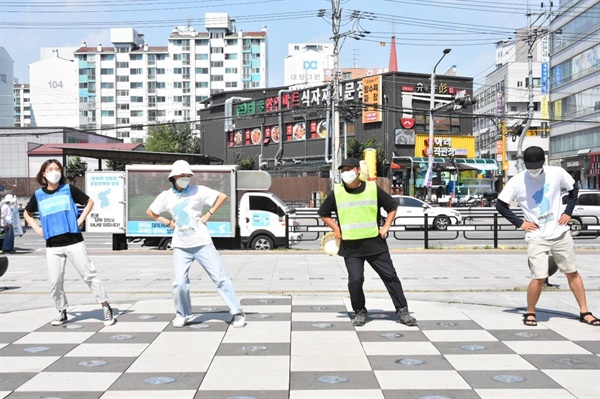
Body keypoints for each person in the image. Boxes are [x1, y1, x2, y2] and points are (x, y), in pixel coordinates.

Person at [496, 146, 599, 327]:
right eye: (530, 167)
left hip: (560, 232)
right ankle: (530, 312)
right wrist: (520, 223)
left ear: (543, 162)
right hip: (536, 235)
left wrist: (568, 211)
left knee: (572, 272)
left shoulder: (556, 172)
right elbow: (501, 205)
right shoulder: (517, 181)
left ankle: (585, 311)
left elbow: (574, 189)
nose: (534, 170)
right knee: (539, 276)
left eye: (537, 166)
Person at [146, 160, 246, 328]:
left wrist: (208, 215)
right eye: (181, 176)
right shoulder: (166, 196)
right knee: (179, 282)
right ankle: (183, 314)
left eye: (187, 176)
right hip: (180, 245)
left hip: (202, 242)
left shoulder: (198, 191)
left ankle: (237, 312)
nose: (185, 179)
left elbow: (222, 197)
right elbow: (151, 211)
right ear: (173, 178)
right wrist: (168, 222)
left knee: (220, 278)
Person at [318, 157, 417, 327]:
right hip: (351, 246)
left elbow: (392, 206)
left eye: (349, 169)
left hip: (375, 244)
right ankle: (360, 311)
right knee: (355, 280)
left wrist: (386, 227)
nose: (346, 173)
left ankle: (402, 311)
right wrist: (336, 228)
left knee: (390, 276)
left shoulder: (372, 189)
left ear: (357, 170)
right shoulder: (337, 192)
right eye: (343, 170)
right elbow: (323, 212)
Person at [23, 159, 116, 326]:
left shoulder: (68, 189)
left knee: (88, 274)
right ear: (44, 173)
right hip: (52, 244)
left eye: (57, 169)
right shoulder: (38, 194)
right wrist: (37, 229)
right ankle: (62, 311)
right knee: (55, 281)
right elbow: (27, 213)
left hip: (74, 241)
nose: (54, 172)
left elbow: (90, 202)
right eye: (50, 169)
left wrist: (80, 219)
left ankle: (106, 306)